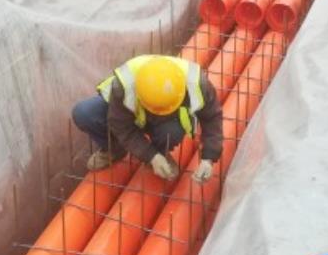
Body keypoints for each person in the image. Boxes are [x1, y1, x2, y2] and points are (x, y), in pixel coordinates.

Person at [71, 54, 223, 184]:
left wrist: (208, 158)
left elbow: (212, 118)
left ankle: (160, 153)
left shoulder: (197, 84)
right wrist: (150, 156)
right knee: (84, 113)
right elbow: (121, 126)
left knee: (171, 131)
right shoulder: (124, 86)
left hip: (165, 123)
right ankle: (115, 149)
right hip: (132, 113)